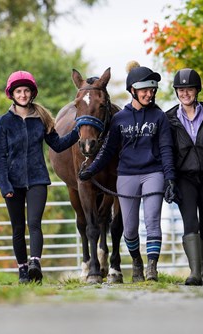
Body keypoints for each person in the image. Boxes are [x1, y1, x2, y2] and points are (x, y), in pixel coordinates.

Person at [79, 61, 176, 282]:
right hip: (127, 175)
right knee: (129, 229)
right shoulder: (119, 119)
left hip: (154, 173)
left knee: (152, 221)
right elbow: (107, 151)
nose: (149, 94)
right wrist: (90, 170)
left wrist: (170, 178)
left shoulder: (159, 117)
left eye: (152, 90)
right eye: (144, 90)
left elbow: (166, 150)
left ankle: (152, 267)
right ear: (133, 90)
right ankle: (136, 261)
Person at [0, 70, 79, 284]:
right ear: (12, 94)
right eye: (18, 91)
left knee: (34, 223)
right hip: (12, 182)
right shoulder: (4, 122)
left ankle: (35, 264)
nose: (23, 94)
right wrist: (4, 184)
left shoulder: (41, 118)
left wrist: (79, 131)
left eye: (26, 91)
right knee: (17, 228)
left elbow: (58, 144)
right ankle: (22, 270)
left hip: (37, 179)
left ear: (32, 93)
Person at [165, 68, 203, 286]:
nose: (185, 93)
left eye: (189, 89)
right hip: (184, 178)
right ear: (176, 92)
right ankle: (195, 272)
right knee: (191, 222)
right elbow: (166, 150)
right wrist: (169, 180)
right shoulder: (168, 119)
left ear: (196, 90)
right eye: (181, 89)